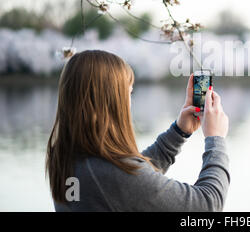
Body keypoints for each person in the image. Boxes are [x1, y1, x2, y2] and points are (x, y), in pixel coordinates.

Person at [46, 49, 230, 211]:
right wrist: (216, 139)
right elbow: (208, 205)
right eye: (128, 92)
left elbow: (131, 177)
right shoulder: (112, 175)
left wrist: (179, 132)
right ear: (111, 99)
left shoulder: (67, 159)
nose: (129, 101)